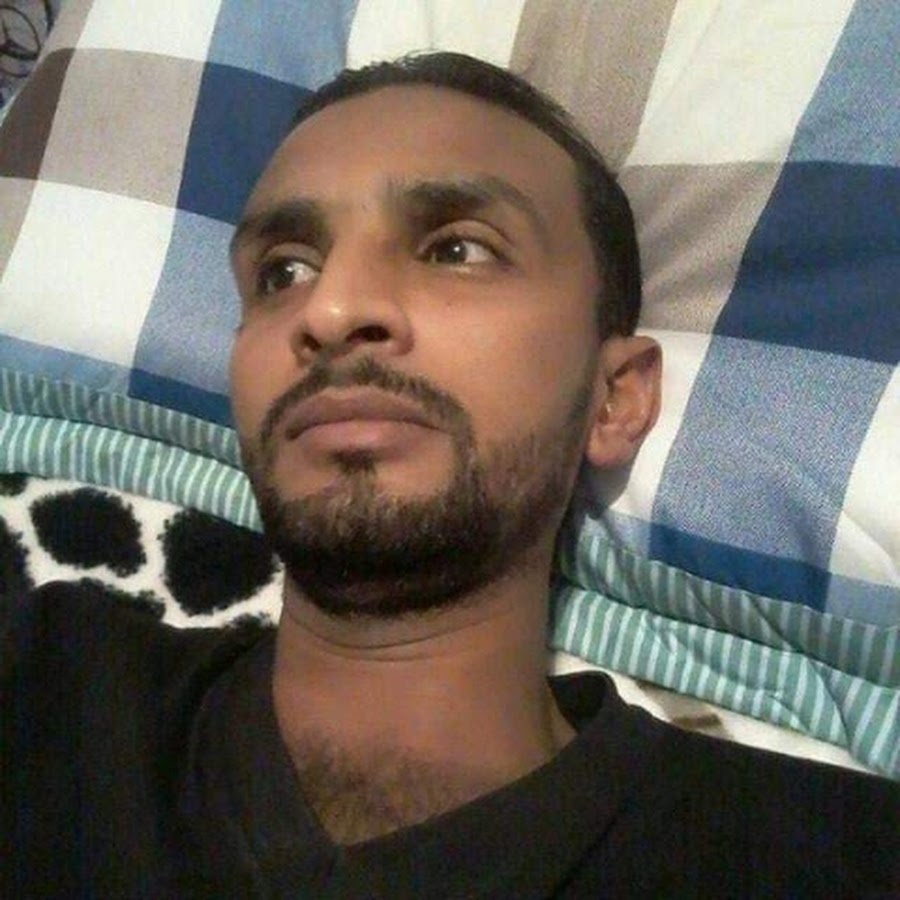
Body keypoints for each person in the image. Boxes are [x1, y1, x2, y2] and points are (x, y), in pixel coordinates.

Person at [2, 52, 898, 899]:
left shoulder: (833, 856)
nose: (330, 308)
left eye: (456, 249)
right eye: (283, 272)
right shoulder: (44, 687)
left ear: (614, 397)